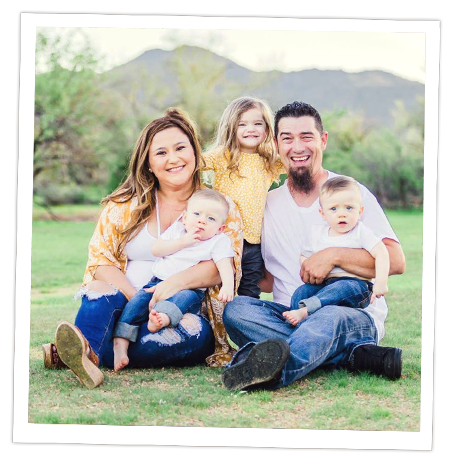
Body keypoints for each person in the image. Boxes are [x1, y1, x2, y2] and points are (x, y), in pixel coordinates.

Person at [42, 108, 243, 389]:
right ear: (148, 163)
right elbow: (100, 262)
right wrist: (137, 297)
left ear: (195, 153)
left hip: (180, 312)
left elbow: (223, 267)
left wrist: (170, 287)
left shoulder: (218, 207)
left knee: (191, 334)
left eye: (180, 148)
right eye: (161, 153)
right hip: (126, 302)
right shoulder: (123, 205)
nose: (173, 158)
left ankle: (86, 350)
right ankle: (92, 348)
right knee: (97, 291)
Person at [222, 101, 406, 392]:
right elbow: (268, 277)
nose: (297, 147)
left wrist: (332, 256)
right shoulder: (266, 204)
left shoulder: (349, 193)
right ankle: (352, 356)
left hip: (349, 314)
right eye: (287, 138)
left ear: (323, 140)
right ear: (276, 144)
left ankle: (271, 373)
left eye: (306, 137)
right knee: (236, 311)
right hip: (290, 315)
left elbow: (395, 261)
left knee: (329, 317)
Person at [113, 189, 235, 372]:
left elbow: (225, 265)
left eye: (211, 219)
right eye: (197, 214)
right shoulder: (178, 231)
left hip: (190, 289)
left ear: (220, 228)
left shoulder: (218, 241)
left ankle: (162, 317)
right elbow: (157, 250)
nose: (202, 220)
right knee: (136, 304)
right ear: (184, 218)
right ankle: (120, 345)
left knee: (183, 299)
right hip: (156, 283)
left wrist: (228, 286)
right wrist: (184, 241)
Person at [202, 97, 285, 299]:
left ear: (267, 129)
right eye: (243, 124)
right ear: (231, 127)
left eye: (258, 124)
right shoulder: (224, 155)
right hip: (224, 237)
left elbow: (296, 164)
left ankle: (247, 326)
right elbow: (195, 163)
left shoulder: (270, 161)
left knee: (250, 293)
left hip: (254, 242)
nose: (251, 129)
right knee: (217, 291)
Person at [283, 175, 389, 326]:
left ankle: (305, 311)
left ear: (360, 211)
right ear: (323, 214)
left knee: (343, 288)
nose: (342, 213)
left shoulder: (360, 232)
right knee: (301, 292)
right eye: (333, 209)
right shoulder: (316, 234)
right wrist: (309, 269)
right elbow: (305, 257)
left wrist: (381, 282)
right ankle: (296, 325)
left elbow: (381, 252)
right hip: (325, 284)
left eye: (349, 208)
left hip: (355, 285)